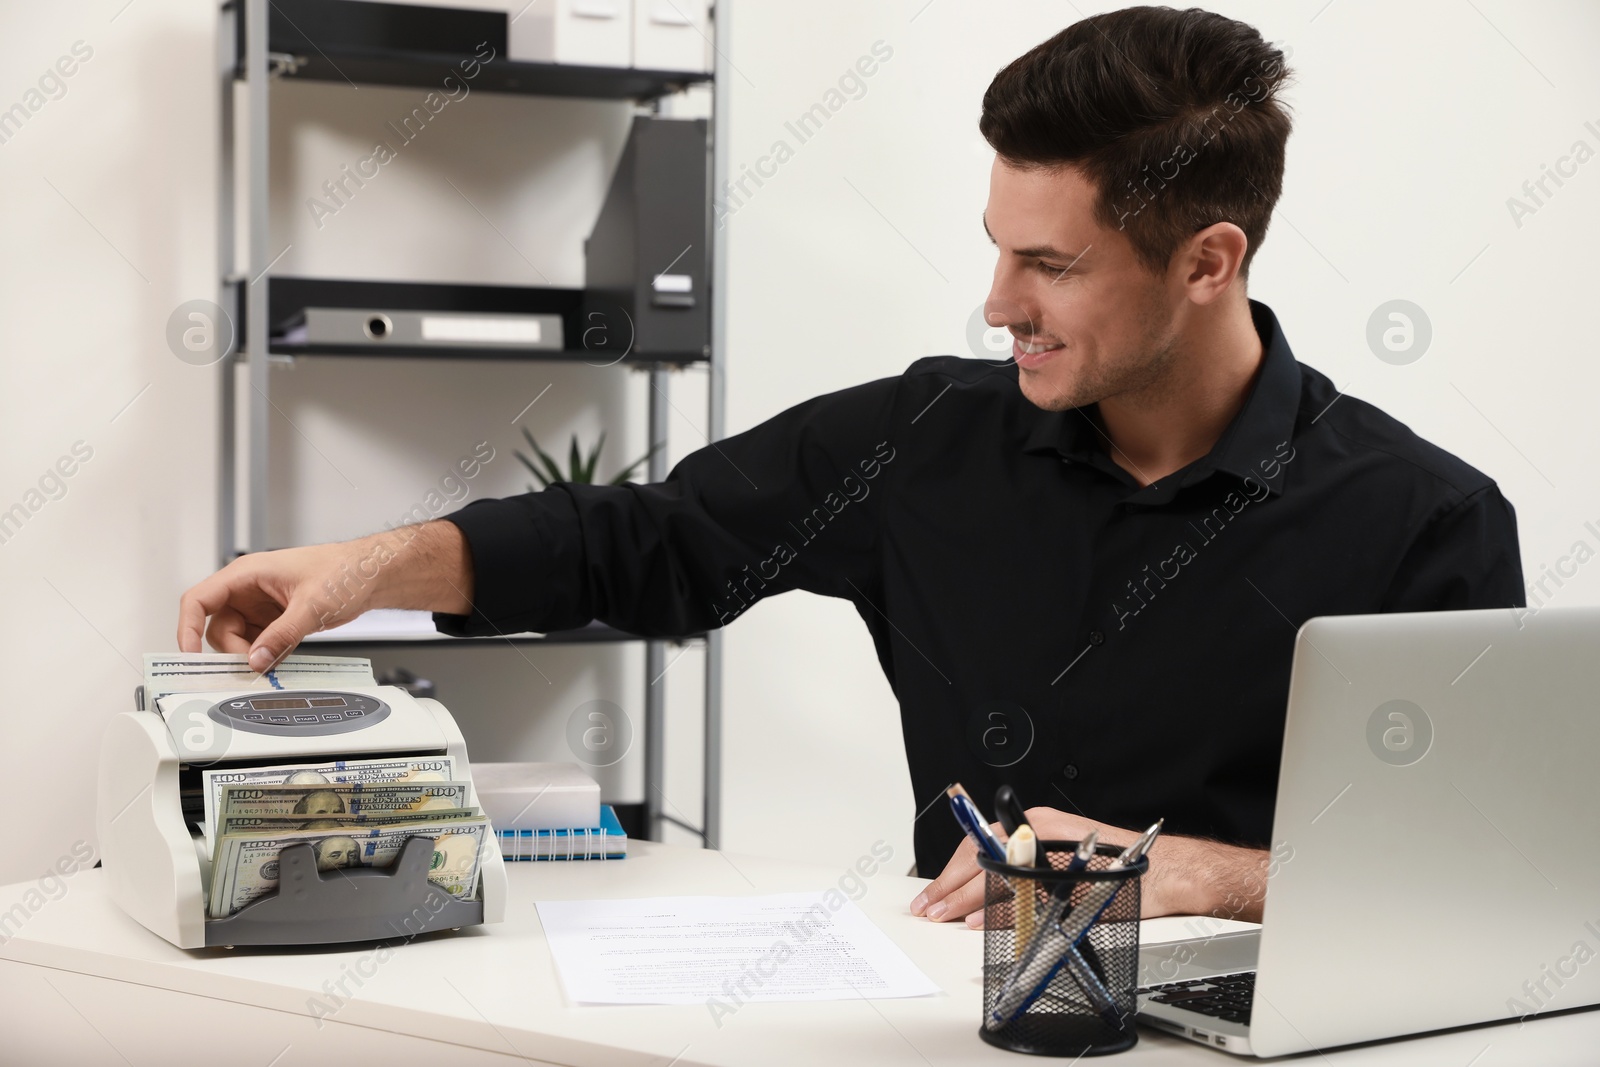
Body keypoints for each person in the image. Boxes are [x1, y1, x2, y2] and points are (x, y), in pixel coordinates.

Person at [177, 7, 1523, 928]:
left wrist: (1203, 876)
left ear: (1209, 261)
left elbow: (1481, 883)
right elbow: (650, 543)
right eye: (998, 246)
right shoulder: (923, 439)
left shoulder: (1425, 522)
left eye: (1050, 266)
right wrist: (367, 567)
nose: (997, 303)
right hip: (958, 1023)